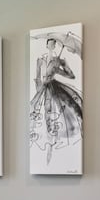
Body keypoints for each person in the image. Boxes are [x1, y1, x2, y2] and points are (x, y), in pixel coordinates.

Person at [30, 36, 83, 165]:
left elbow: (71, 75)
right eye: (50, 44)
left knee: (57, 111)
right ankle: (46, 143)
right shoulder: (40, 59)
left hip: (54, 87)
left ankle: (54, 141)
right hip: (43, 88)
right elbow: (37, 77)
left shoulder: (59, 60)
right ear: (47, 45)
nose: (51, 46)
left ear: (55, 46)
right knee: (41, 113)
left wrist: (59, 69)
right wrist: (38, 91)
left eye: (54, 44)